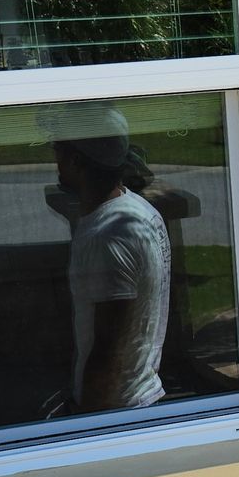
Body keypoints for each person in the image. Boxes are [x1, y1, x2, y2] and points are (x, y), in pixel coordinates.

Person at [42, 103, 171, 414]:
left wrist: (87, 419)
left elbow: (109, 350)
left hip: (118, 410)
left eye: (59, 149)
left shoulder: (111, 236)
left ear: (76, 160)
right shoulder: (135, 210)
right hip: (137, 398)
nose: (55, 159)